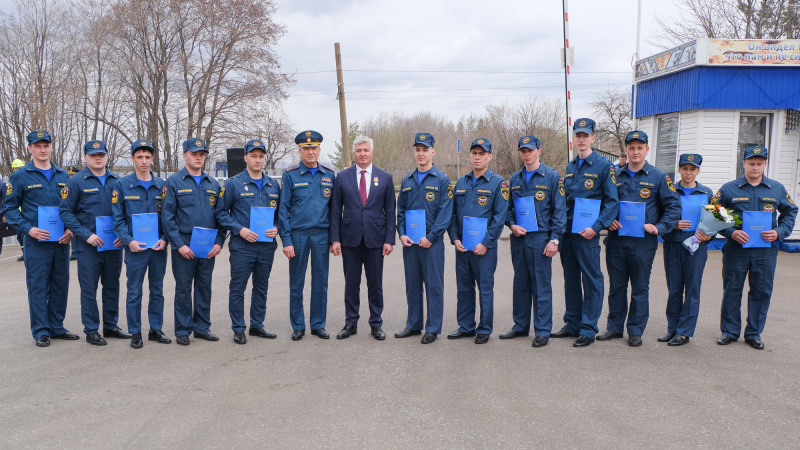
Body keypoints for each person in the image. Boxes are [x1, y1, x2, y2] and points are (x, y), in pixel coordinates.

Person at [600, 130, 680, 347]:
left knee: (639, 287)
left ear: (647, 149)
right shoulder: (614, 175)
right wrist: (608, 220)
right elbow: (603, 203)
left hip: (643, 242)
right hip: (616, 240)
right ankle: (614, 327)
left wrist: (659, 227)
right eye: (631, 148)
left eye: (639, 148)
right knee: (616, 286)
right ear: (626, 150)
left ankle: (635, 330)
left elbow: (673, 207)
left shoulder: (659, 177)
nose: (635, 151)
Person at [713, 146, 797, 350]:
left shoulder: (776, 189)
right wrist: (731, 232)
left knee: (761, 291)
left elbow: (790, 211)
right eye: (751, 163)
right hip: (736, 249)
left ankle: (754, 333)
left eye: (760, 163)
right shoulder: (728, 189)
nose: (755, 167)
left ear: (765, 164)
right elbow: (714, 213)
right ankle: (730, 331)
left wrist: (779, 232)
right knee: (732, 290)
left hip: (765, 251)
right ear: (744, 163)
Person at [3, 131, 76, 347]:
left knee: (60, 284)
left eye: (46, 145)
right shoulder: (20, 176)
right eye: (38, 145)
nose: (43, 149)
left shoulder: (63, 175)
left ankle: (57, 327)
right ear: (30, 149)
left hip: (61, 240)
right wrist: (29, 229)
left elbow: (72, 207)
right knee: (38, 285)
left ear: (51, 147)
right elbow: (10, 209)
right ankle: (41, 330)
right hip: (36, 241)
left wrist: (72, 229)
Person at [552, 118, 619, 347]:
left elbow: (612, 203)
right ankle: (572, 323)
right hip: (568, 234)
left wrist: (597, 228)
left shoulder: (603, 166)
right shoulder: (571, 166)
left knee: (592, 281)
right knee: (570, 279)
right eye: (577, 135)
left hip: (588, 234)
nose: (581, 140)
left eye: (585, 135)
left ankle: (588, 328)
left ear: (593, 138)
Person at [500, 135, 566, 348]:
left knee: (541, 285)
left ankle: (543, 330)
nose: (526, 154)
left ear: (539, 150)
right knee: (520, 283)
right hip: (519, 238)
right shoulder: (515, 178)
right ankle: (520, 326)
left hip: (541, 238)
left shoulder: (552, 177)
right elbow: (507, 209)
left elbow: (559, 211)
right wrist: (511, 225)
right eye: (523, 151)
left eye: (530, 150)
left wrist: (554, 239)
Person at [60, 140, 128, 346]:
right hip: (88, 246)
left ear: (107, 156)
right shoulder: (76, 181)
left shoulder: (118, 181)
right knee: (89, 289)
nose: (98, 158)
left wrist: (124, 235)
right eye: (93, 155)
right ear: (85, 157)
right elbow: (65, 211)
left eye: (101, 154)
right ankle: (91, 329)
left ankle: (110, 325)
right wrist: (85, 234)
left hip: (113, 244)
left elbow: (125, 211)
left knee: (112, 286)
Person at [330, 135, 396, 341]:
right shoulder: (342, 177)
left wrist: (389, 240)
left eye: (366, 150)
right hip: (349, 239)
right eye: (358, 150)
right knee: (351, 283)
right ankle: (351, 322)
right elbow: (334, 211)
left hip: (376, 240)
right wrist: (335, 239)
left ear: (372, 152)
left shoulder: (385, 177)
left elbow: (390, 210)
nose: (362, 154)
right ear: (354, 153)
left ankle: (376, 323)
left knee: (375, 283)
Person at [161, 138, 226, 346]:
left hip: (208, 244)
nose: (199, 157)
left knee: (204, 286)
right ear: (184, 156)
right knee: (183, 288)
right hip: (185, 243)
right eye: (194, 153)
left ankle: (202, 327)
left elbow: (221, 215)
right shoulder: (173, 182)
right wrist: (179, 244)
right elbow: (167, 217)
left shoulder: (213, 183)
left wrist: (219, 242)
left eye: (202, 154)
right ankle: (182, 329)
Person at [215, 139, 281, 345]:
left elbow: (279, 215)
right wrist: (240, 229)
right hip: (243, 246)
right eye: (253, 156)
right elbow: (220, 213)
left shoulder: (273, 185)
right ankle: (238, 328)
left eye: (261, 156)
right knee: (238, 288)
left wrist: (277, 228)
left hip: (266, 247)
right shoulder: (233, 184)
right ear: (245, 158)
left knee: (261, 287)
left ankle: (257, 324)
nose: (258, 160)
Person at [447, 138, 509, 344]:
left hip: (484, 248)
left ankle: (484, 328)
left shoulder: (498, 183)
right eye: (474, 153)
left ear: (489, 156)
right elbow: (453, 214)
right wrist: (454, 238)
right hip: (463, 247)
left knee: (485, 288)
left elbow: (500, 217)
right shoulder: (461, 182)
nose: (477, 157)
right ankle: (466, 326)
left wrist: (486, 242)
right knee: (464, 288)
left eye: (482, 154)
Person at [111, 140, 171, 349]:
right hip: (135, 250)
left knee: (157, 290)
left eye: (147, 157)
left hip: (157, 249)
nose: (144, 161)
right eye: (140, 157)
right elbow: (117, 219)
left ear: (152, 159)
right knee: (134, 291)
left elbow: (169, 217)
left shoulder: (162, 185)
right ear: (133, 159)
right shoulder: (122, 185)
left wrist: (165, 239)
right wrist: (129, 241)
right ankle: (135, 331)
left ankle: (155, 329)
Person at [395, 133, 453, 344]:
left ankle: (433, 327)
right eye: (418, 150)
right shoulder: (407, 180)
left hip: (432, 244)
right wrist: (401, 233)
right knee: (412, 285)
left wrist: (431, 237)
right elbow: (400, 210)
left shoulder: (442, 180)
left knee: (433, 286)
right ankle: (413, 325)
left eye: (425, 149)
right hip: (410, 243)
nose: (421, 153)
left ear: (432, 152)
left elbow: (445, 214)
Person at [278, 130, 336, 341]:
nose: (310, 152)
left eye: (314, 148)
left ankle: (318, 324)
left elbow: (334, 210)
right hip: (298, 235)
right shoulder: (290, 174)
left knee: (321, 282)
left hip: (321, 235)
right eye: (306, 149)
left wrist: (333, 238)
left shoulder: (329, 175)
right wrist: (286, 240)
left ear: (319, 150)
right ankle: (298, 325)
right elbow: (283, 210)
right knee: (297, 282)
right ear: (300, 151)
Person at [658, 154, 713, 346]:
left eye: (693, 169)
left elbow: (714, 221)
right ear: (679, 169)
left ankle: (684, 331)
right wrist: (672, 224)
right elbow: (659, 214)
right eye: (685, 168)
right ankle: (672, 328)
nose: (688, 173)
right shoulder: (669, 189)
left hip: (696, 247)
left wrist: (709, 235)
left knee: (692, 289)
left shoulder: (707, 193)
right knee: (674, 289)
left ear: (698, 171)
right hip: (673, 244)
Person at [12, 158, 26, 262]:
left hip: (26, 213)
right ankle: (24, 253)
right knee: (19, 236)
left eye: (19, 168)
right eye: (15, 168)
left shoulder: (26, 180)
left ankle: (28, 254)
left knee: (25, 234)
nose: (16, 170)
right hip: (18, 213)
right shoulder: (14, 182)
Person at [67, 165, 80, 261]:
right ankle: (74, 252)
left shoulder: (78, 183)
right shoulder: (67, 184)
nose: (70, 176)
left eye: (72, 174)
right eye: (69, 174)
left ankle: (76, 252)